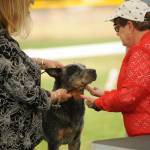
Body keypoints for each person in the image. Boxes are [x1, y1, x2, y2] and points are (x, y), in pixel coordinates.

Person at [0, 0, 71, 149]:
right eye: (26, 7)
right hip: (9, 140)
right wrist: (55, 95)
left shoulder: (4, 39)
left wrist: (42, 63)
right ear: (13, 7)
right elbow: (27, 91)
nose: (27, 13)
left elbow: (11, 65)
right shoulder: (2, 44)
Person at [81, 0, 150, 137]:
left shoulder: (142, 51)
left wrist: (98, 103)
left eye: (117, 27)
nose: (117, 33)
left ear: (130, 25)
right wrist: (105, 94)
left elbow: (128, 98)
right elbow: (139, 91)